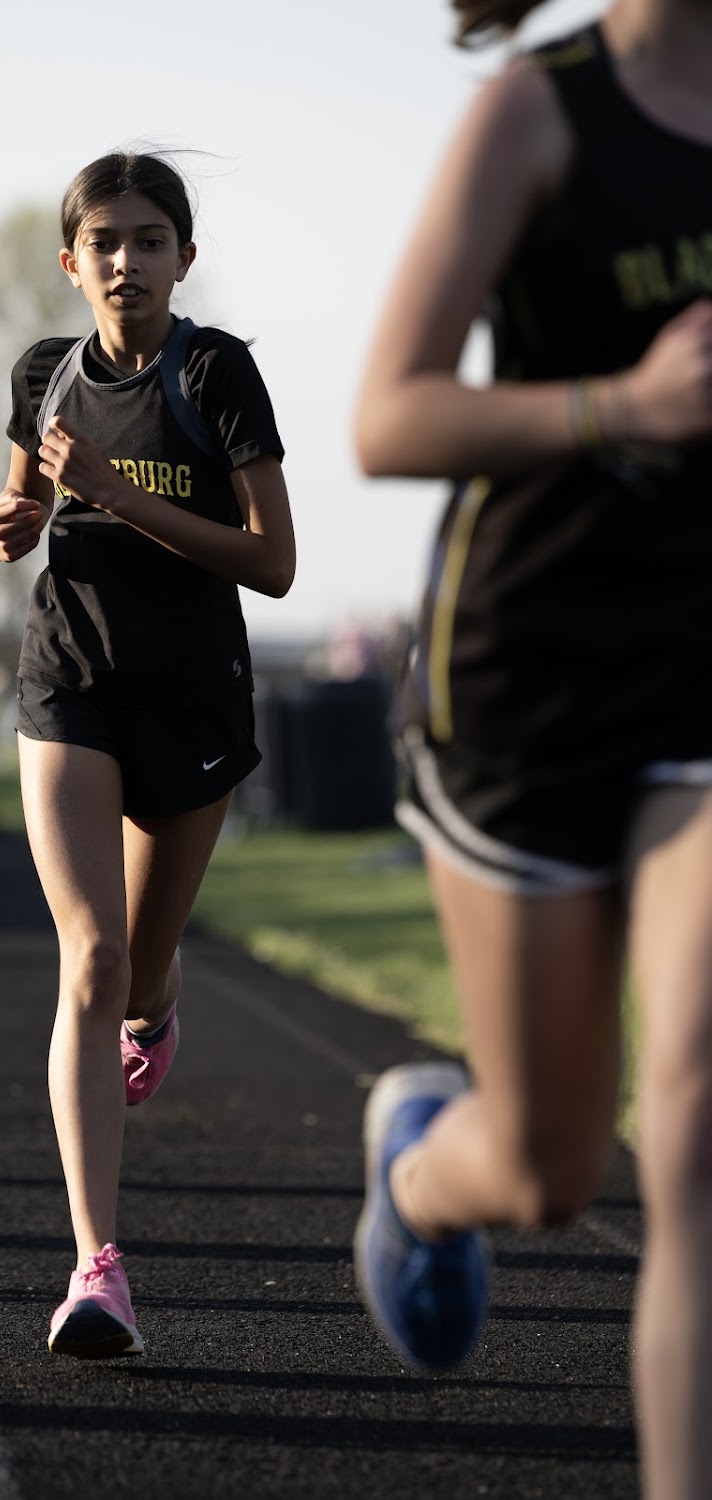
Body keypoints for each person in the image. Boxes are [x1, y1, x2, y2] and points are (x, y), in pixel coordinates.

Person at [352, 2, 712, 1495]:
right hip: (532, 682)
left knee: (695, 1125)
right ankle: (424, 1173)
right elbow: (387, 419)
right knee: (550, 1170)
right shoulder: (540, 109)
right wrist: (623, 405)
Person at [0, 152, 295, 1360]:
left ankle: (154, 1012)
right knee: (92, 955)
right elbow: (20, 510)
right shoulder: (43, 375)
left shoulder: (213, 374)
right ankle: (95, 1269)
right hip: (69, 682)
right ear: (72, 264)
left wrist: (117, 494)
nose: (128, 261)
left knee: (140, 972)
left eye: (150, 239)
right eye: (105, 242)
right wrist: (15, 522)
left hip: (191, 701)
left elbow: (272, 563)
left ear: (184, 257)